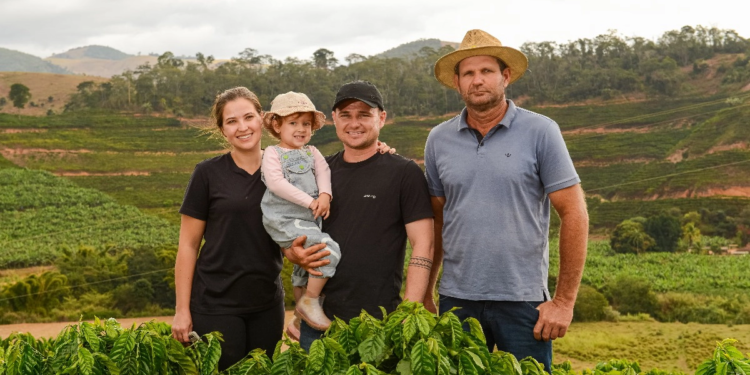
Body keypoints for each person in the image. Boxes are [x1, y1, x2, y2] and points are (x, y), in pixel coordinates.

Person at [423, 29, 589, 371]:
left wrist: (563, 302)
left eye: (486, 71)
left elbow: (574, 213)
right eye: (468, 73)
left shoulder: (541, 131)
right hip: (457, 301)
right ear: (457, 82)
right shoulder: (438, 139)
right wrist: (427, 290)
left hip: (524, 301)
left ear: (505, 76)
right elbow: (438, 221)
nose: (477, 80)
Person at [283, 81, 435, 351]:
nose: (354, 123)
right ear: (334, 120)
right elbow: (286, 224)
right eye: (346, 115)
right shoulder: (317, 172)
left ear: (382, 118)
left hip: (380, 321)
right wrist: (291, 253)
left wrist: (409, 309)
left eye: (364, 114)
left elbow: (424, 243)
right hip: (319, 321)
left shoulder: (403, 172)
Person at [171, 87, 285, 371]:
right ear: (222, 130)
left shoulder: (285, 170)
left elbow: (329, 167)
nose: (242, 127)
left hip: (267, 303)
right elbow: (188, 245)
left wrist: (382, 149)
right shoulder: (207, 174)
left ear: (262, 119)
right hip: (215, 303)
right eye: (232, 121)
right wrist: (181, 311)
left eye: (249, 117)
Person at [260, 91, 340, 332]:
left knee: (304, 267)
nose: (301, 129)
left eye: (306, 123)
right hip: (284, 218)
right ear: (277, 125)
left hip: (308, 218)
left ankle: (297, 321)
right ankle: (309, 301)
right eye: (293, 123)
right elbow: (276, 184)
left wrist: (325, 195)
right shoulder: (273, 153)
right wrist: (310, 201)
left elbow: (324, 172)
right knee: (328, 251)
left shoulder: (312, 152)